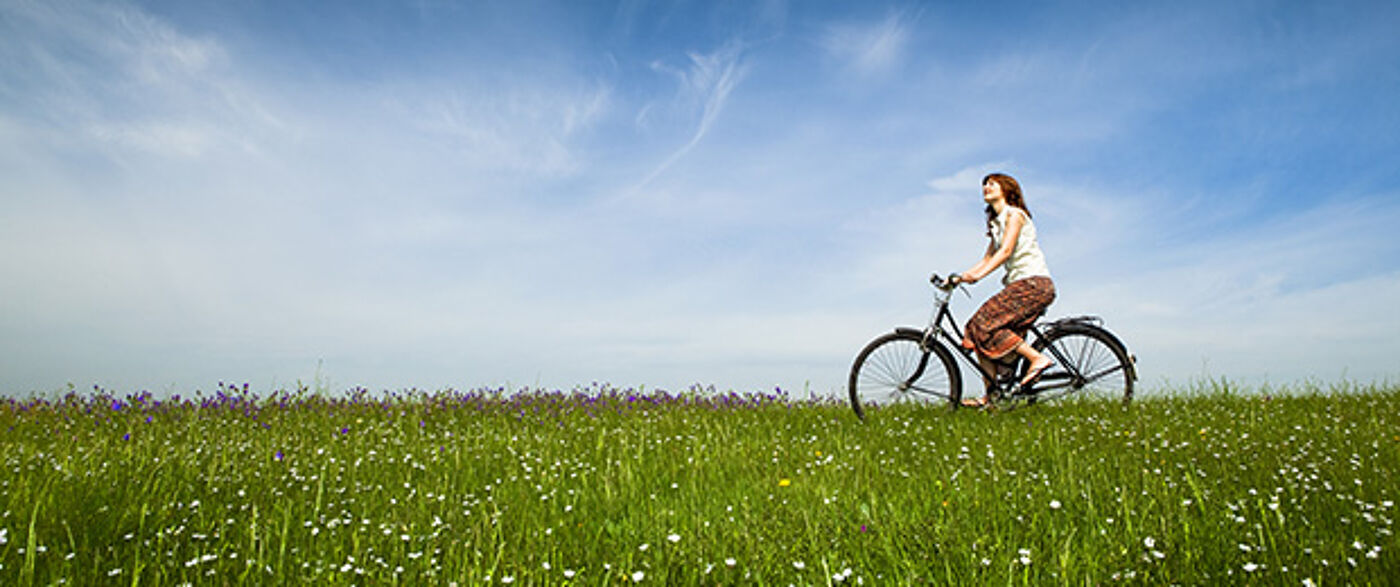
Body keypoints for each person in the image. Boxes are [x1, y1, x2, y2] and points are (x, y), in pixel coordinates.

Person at [951, 173, 1056, 407]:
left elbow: (1005, 252)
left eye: (992, 184)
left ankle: (1037, 358)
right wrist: (960, 277)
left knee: (982, 322)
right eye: (984, 185)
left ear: (1006, 189)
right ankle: (992, 397)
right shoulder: (997, 223)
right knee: (976, 332)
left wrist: (977, 276)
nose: (986, 187)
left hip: (1033, 284)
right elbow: (987, 257)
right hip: (1021, 285)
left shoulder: (1015, 215)